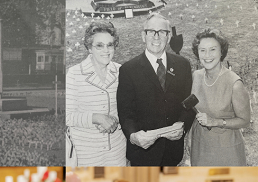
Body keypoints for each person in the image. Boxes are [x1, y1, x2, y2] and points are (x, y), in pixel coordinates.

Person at [117, 13, 194, 166]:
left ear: (169, 36)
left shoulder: (183, 65)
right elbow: (126, 113)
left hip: (173, 153)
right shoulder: (128, 69)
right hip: (143, 154)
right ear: (143, 36)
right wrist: (133, 135)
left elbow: (189, 103)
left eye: (162, 32)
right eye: (151, 31)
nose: (156, 37)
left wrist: (183, 124)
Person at [66, 21, 126, 166]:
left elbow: (130, 108)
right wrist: (96, 118)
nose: (106, 50)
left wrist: (113, 120)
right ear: (89, 48)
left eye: (110, 45)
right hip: (86, 154)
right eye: (99, 45)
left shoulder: (121, 71)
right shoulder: (74, 74)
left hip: (116, 151)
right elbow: (66, 116)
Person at [188, 29, 251, 166]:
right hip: (200, 147)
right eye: (202, 50)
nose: (207, 55)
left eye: (212, 49)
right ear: (197, 53)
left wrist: (216, 122)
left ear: (221, 52)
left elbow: (245, 120)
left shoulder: (234, 83)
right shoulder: (196, 76)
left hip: (226, 150)